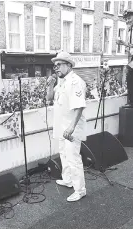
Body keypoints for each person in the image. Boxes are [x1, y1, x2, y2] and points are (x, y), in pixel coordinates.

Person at [46, 51, 87, 202]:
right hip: (61, 127)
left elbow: (79, 107)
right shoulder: (61, 82)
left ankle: (80, 189)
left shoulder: (75, 82)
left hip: (71, 128)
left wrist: (71, 127)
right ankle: (68, 179)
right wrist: (50, 85)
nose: (55, 68)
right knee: (63, 154)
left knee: (73, 158)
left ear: (69, 65)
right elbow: (49, 98)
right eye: (54, 65)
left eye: (59, 65)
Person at [116, 9, 133, 106]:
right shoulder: (130, 30)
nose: (127, 21)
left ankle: (131, 100)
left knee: (130, 72)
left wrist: (123, 43)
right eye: (126, 19)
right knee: (128, 72)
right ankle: (129, 93)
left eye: (129, 18)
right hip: (132, 56)